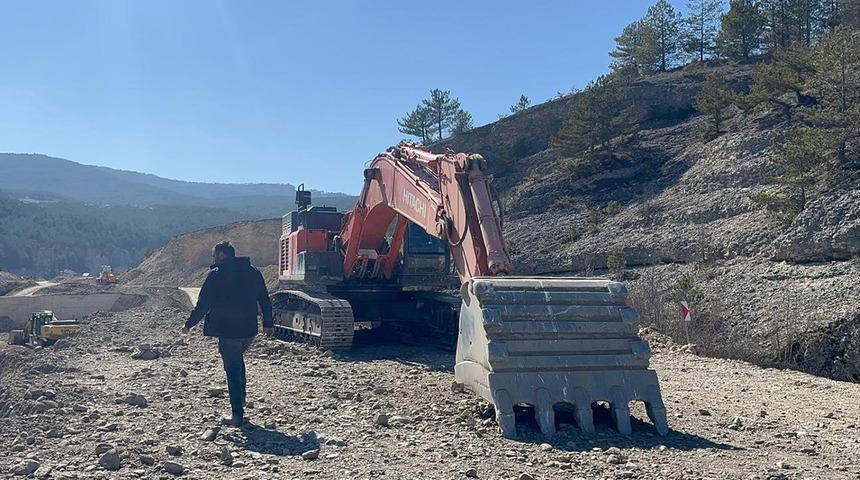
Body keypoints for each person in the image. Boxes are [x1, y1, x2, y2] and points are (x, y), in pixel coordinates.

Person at [182, 241, 273, 426]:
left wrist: (188, 325)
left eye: (214, 254)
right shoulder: (253, 272)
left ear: (222, 255)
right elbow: (264, 299)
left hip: (227, 330)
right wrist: (268, 323)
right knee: (238, 363)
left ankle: (237, 415)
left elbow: (203, 305)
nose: (213, 258)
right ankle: (241, 402)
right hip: (248, 330)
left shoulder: (216, 276)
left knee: (232, 370)